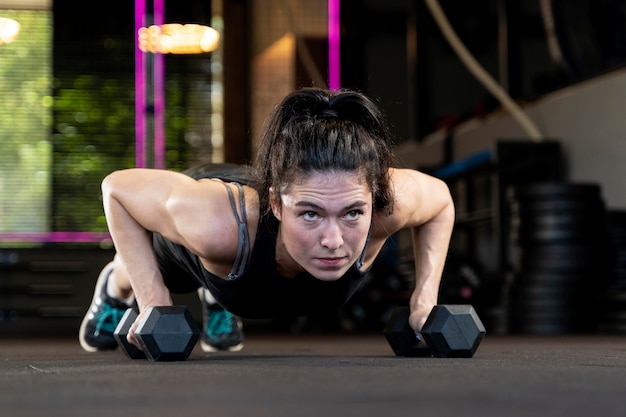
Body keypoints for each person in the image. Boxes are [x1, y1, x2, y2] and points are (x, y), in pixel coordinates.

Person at [78, 87, 455, 354]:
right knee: (148, 267)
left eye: (352, 213)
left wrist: (424, 300)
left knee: (227, 259)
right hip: (214, 213)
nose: (334, 240)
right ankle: (114, 286)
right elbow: (117, 189)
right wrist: (153, 302)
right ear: (277, 203)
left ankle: (217, 294)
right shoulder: (214, 224)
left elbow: (440, 202)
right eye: (311, 214)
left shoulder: (386, 203)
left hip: (250, 221)